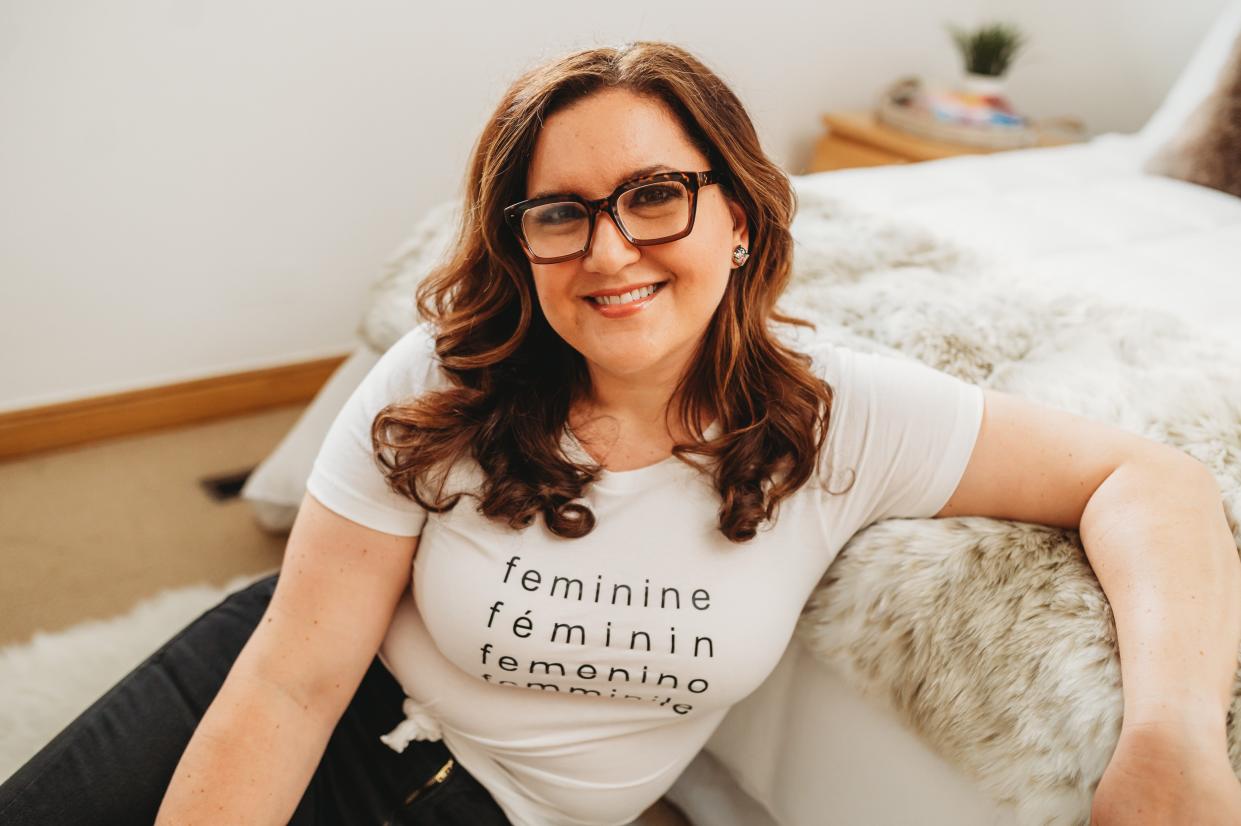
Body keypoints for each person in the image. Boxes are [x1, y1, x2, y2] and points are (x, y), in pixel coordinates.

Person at [10, 38, 1234, 826]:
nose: (609, 250)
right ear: (520, 243)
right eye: (559, 213)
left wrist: (1171, 736)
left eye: (655, 194)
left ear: (740, 215)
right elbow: (290, 676)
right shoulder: (443, 380)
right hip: (297, 698)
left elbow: (1148, 474)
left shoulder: (839, 417)